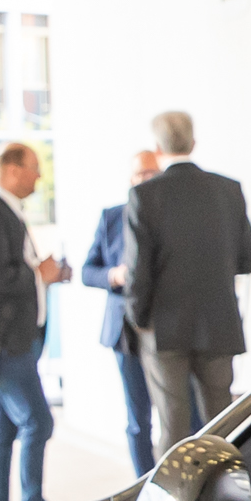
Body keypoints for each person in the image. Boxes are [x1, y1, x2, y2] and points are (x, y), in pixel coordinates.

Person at [121, 108, 251, 448]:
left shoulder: (144, 196)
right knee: (222, 424)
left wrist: (138, 319)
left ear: (157, 147)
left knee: (172, 428)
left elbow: (138, 271)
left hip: (165, 329)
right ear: (194, 141)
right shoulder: (229, 190)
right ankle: (227, 496)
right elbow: (250, 260)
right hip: (219, 322)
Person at [0, 140, 67, 501]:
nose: (39, 176)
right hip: (7, 341)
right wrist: (38, 273)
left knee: (5, 429)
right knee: (38, 422)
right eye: (33, 168)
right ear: (11, 170)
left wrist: (45, 275)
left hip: (22, 338)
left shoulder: (8, 212)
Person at [79, 145, 163, 475]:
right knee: (137, 418)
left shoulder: (170, 218)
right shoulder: (112, 216)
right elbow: (88, 271)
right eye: (141, 173)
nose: (146, 179)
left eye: (152, 173)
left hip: (165, 329)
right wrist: (113, 275)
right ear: (130, 178)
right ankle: (141, 483)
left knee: (177, 412)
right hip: (124, 331)